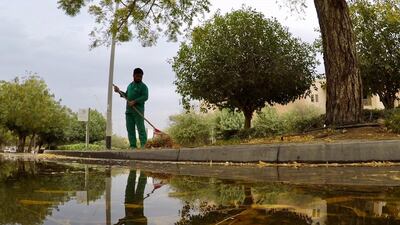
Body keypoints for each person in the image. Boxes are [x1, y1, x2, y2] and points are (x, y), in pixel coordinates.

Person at [114, 68, 148, 149]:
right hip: (129, 112)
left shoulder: (144, 87)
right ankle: (133, 145)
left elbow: (145, 97)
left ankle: (144, 145)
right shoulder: (130, 86)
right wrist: (119, 91)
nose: (139, 78)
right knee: (130, 129)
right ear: (133, 75)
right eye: (138, 76)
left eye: (141, 76)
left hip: (138, 111)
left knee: (141, 129)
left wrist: (135, 101)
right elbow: (126, 95)